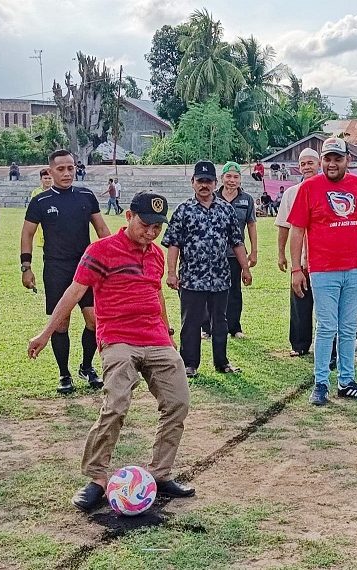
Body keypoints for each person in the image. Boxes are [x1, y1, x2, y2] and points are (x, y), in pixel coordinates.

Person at [28, 192, 195, 512]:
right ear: (129, 216)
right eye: (145, 225)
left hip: (156, 339)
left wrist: (168, 332)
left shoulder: (156, 255)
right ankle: (96, 479)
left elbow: (155, 293)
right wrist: (46, 332)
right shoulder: (100, 251)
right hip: (118, 340)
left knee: (178, 403)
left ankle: (160, 474)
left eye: (157, 228)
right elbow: (74, 292)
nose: (151, 233)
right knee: (116, 405)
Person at [288, 138, 357, 406]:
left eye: (337, 158)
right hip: (323, 270)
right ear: (321, 161)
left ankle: (347, 381)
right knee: (327, 326)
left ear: (347, 160)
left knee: (349, 327)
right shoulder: (308, 188)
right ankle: (321, 382)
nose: (332, 164)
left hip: (355, 269)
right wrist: (297, 268)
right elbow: (297, 230)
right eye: (327, 159)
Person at [20, 150, 111, 394]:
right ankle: (64, 373)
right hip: (56, 268)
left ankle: (87, 366)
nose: (67, 173)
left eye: (70, 168)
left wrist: (117, 257)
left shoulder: (86, 196)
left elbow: (102, 229)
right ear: (50, 172)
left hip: (86, 267)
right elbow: (27, 233)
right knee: (61, 323)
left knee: (94, 319)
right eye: (61, 169)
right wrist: (26, 266)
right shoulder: (40, 201)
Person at [162, 160, 252, 378]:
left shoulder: (226, 210)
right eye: (200, 181)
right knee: (191, 322)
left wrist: (245, 269)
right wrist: (172, 272)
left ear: (215, 183)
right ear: (192, 182)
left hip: (221, 277)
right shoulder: (183, 210)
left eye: (209, 181)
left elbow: (237, 242)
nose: (204, 185)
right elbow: (174, 243)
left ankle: (222, 362)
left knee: (220, 322)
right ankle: (190, 364)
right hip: (192, 278)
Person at [201, 162, 258, 340]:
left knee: (234, 291)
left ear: (240, 179)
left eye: (235, 177)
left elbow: (251, 225)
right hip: (213, 254)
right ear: (221, 178)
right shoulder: (212, 198)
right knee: (210, 290)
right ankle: (208, 328)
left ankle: (234, 327)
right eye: (228, 176)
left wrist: (254, 251)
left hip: (235, 255)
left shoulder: (246, 200)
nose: (232, 180)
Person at [276, 148, 320, 357]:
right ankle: (299, 345)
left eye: (310, 163)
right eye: (303, 164)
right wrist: (281, 254)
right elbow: (284, 226)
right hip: (300, 259)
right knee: (299, 302)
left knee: (325, 306)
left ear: (318, 164)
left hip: (323, 260)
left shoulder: (326, 190)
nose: (306, 167)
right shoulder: (291, 193)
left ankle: (329, 346)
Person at [29, 168, 54, 248]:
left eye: (49, 178)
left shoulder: (56, 191)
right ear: (41, 179)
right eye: (45, 178)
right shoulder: (36, 192)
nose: (47, 180)